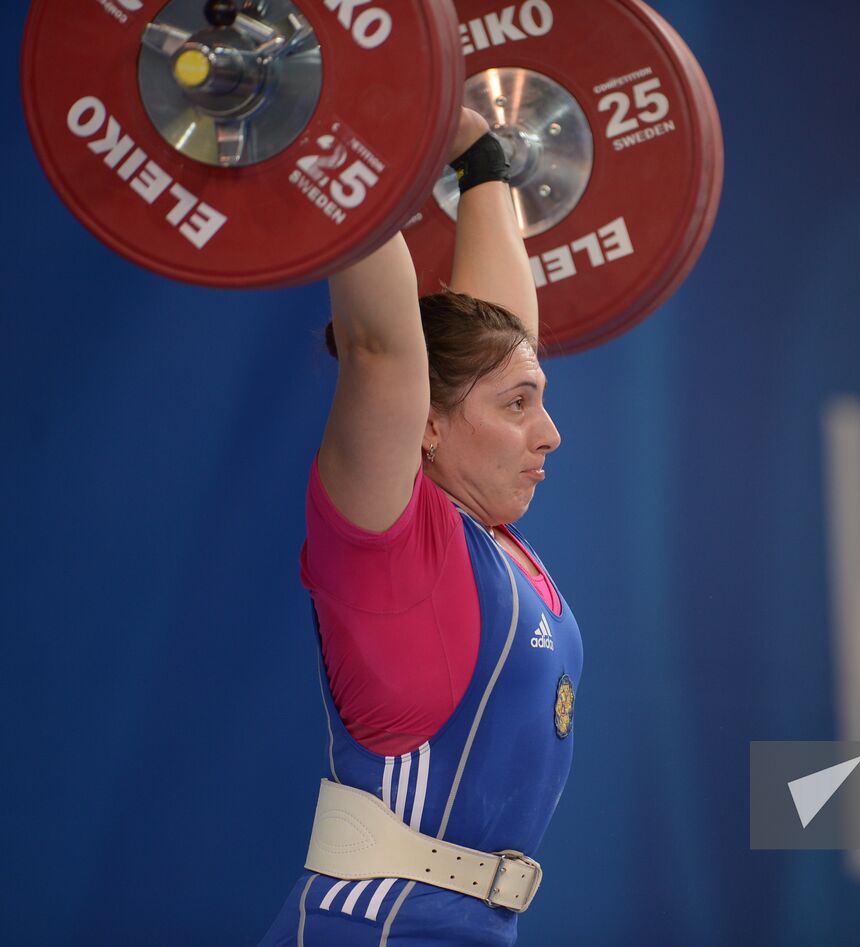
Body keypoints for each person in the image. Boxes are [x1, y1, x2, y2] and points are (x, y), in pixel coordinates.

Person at [260, 107, 582, 947]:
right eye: (520, 407)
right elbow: (381, 349)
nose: (548, 432)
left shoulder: (495, 543)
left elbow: (502, 338)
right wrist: (375, 144)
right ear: (426, 426)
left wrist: (481, 165)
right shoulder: (396, 544)